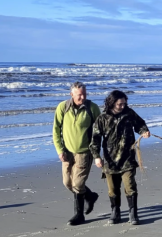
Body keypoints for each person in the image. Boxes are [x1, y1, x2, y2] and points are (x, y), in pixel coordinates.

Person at [90, 90, 150, 225]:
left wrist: (144, 131)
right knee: (112, 189)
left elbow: (140, 124)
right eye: (120, 104)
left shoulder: (129, 113)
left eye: (124, 103)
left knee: (130, 185)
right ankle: (115, 212)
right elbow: (95, 139)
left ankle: (133, 214)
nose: (123, 106)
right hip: (110, 160)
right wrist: (96, 157)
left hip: (128, 157)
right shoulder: (102, 118)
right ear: (112, 103)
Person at [52, 81, 101, 226]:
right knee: (67, 183)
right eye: (79, 95)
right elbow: (56, 130)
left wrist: (97, 152)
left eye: (84, 94)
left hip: (85, 152)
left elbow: (100, 130)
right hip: (67, 152)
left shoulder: (92, 108)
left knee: (78, 184)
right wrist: (60, 150)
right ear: (71, 94)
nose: (82, 97)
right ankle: (90, 196)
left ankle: (79, 215)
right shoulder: (63, 107)